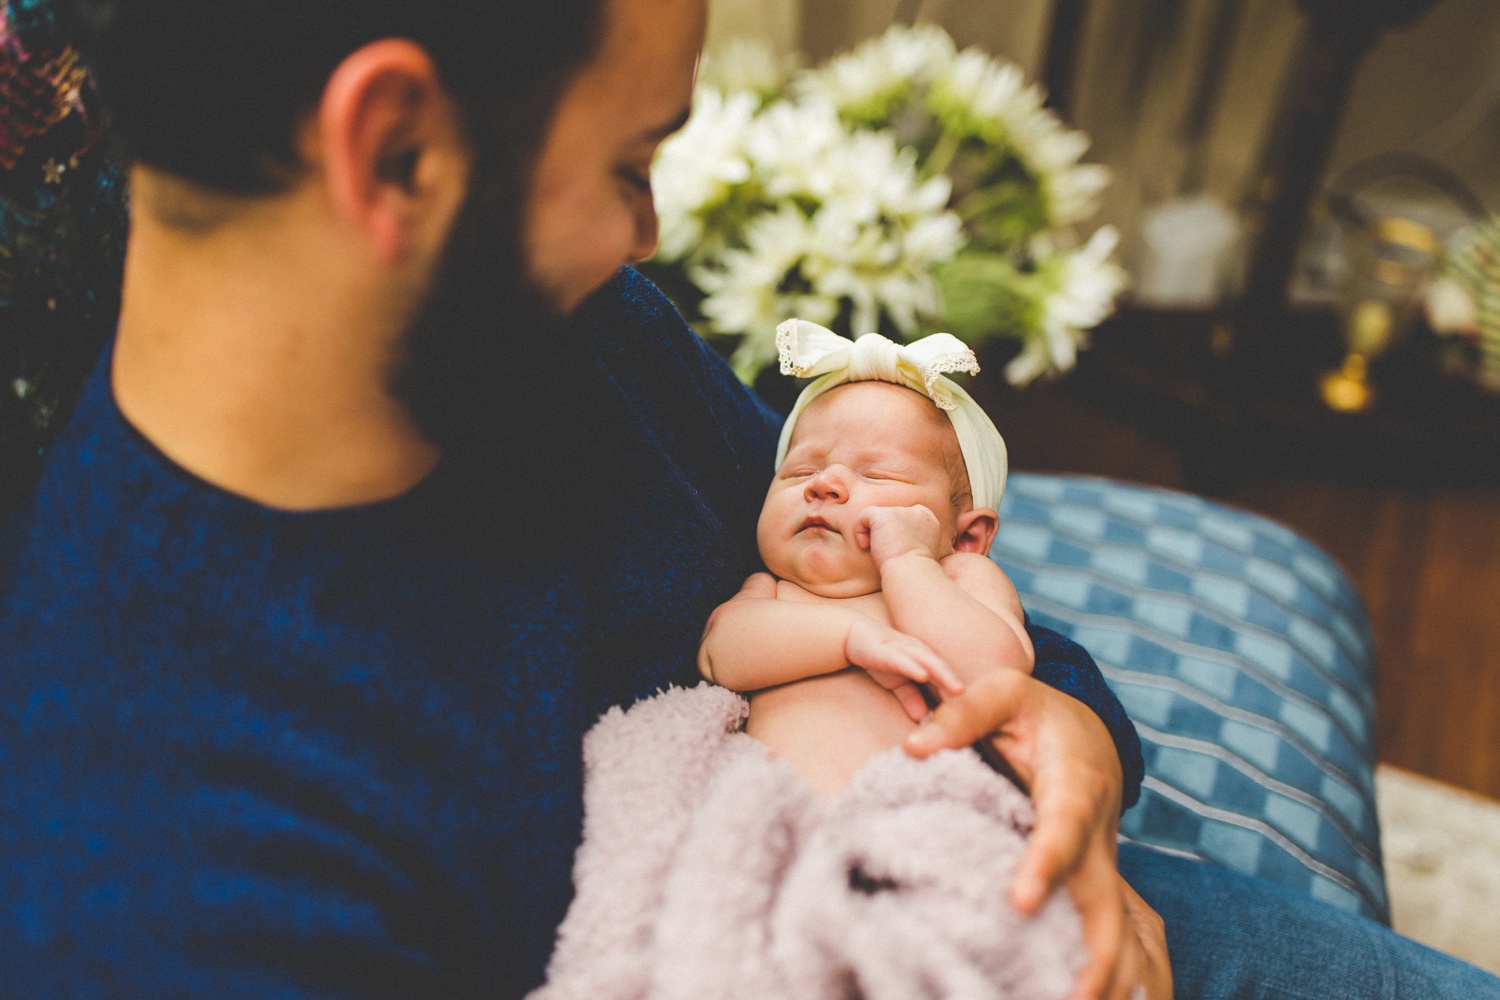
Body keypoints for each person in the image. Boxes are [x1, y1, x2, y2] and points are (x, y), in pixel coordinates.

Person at [2, 0, 1498, 997]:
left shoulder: (554, 338)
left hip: (1010, 883)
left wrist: (1079, 747)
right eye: (630, 162)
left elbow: (936, 602)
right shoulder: (158, 872)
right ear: (392, 149)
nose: (648, 236)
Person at [698, 321, 1034, 800]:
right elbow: (719, 656)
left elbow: (996, 674)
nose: (823, 483)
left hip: (920, 811)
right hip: (772, 807)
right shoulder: (772, 589)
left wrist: (908, 560)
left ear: (965, 536)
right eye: (800, 470)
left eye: (878, 473)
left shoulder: (960, 574)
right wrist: (850, 638)